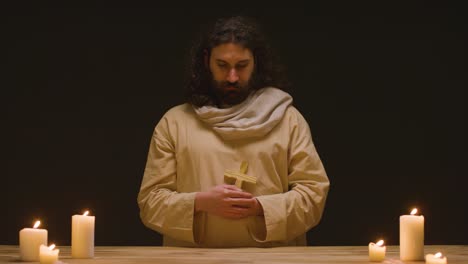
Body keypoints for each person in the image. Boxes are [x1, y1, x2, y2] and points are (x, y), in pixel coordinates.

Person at [137, 16, 330, 247]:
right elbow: (150, 203)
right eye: (222, 66)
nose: (232, 77)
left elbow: (313, 196)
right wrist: (201, 203)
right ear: (207, 61)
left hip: (273, 260)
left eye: (241, 66)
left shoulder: (288, 120)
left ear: (255, 62)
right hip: (195, 260)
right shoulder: (175, 123)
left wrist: (260, 207)